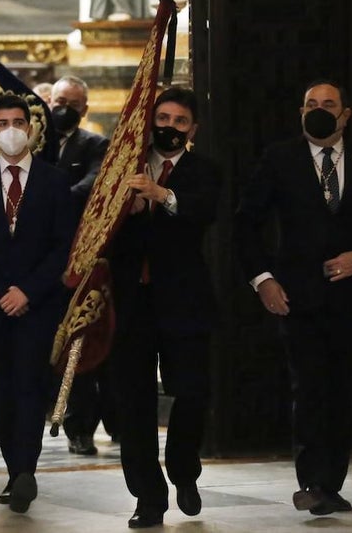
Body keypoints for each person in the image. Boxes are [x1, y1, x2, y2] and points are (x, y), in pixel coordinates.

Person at [234, 79, 352, 516]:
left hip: (350, 298)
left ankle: (332, 484)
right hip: (297, 297)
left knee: (342, 390)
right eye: (311, 103)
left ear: (345, 115)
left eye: (328, 104)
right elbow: (246, 223)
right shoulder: (280, 159)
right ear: (300, 112)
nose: (319, 110)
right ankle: (311, 482)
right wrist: (263, 280)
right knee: (309, 387)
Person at [107, 87, 222, 529]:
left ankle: (183, 469)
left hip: (183, 300)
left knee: (192, 392)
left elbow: (202, 211)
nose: (169, 127)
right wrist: (125, 205)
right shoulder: (125, 165)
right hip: (131, 302)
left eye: (179, 121)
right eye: (163, 118)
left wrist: (160, 194)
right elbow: (92, 212)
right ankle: (147, 497)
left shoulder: (204, 170)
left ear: (193, 130)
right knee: (133, 402)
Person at [0, 94, 75, 514]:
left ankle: (26, 471)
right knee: (1, 388)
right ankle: (13, 470)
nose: (11, 130)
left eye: (18, 122)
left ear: (31, 128)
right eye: (3, 123)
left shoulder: (54, 182)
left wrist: (28, 291)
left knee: (29, 384)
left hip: (38, 304)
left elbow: (63, 246)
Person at [49, 75, 117, 456]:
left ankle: (79, 426)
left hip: (79, 259)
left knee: (80, 344)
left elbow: (93, 185)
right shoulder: (34, 143)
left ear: (84, 110)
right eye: (59, 102)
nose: (64, 110)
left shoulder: (95, 145)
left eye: (73, 105)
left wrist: (48, 199)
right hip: (38, 261)